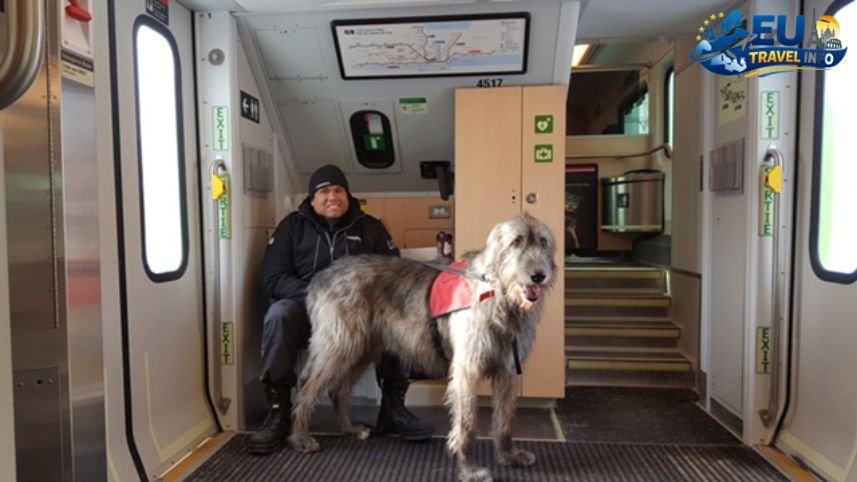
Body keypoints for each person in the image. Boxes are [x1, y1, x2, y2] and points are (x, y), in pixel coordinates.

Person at [250, 164, 433, 454]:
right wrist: (322, 294)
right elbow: (273, 278)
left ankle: (393, 408)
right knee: (278, 315)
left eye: (338, 190)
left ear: (348, 196)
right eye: (324, 191)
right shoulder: (291, 227)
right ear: (312, 199)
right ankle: (279, 410)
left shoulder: (370, 227)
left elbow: (395, 275)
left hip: (361, 310)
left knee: (397, 320)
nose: (332, 196)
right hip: (306, 308)